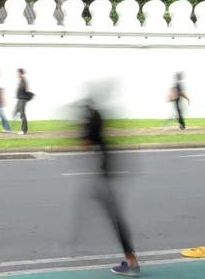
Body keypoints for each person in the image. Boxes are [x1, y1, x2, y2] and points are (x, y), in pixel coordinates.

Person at [81, 99, 139, 277]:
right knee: (115, 218)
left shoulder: (93, 124)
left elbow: (87, 142)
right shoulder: (99, 120)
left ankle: (132, 263)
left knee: (116, 219)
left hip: (105, 175)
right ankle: (131, 260)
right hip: (106, 173)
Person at [14, 68, 29, 135]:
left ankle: (24, 130)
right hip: (20, 99)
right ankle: (19, 127)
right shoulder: (21, 80)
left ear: (21, 73)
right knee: (16, 112)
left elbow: (24, 89)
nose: (17, 74)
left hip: (22, 100)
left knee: (22, 114)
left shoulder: (23, 80)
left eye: (18, 73)